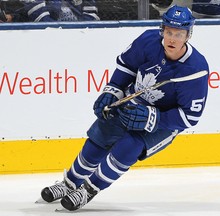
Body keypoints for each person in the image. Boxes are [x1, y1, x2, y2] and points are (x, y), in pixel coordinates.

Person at [40, 4, 209, 211]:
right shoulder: (148, 41)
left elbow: (190, 116)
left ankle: (90, 189)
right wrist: (112, 91)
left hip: (163, 121)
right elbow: (127, 67)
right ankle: (70, 183)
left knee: (130, 145)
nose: (172, 38)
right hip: (134, 101)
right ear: (162, 30)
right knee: (101, 133)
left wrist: (153, 118)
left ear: (188, 35)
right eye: (169, 32)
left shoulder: (196, 70)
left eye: (179, 34)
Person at [20, 0, 100, 22]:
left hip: (80, 34)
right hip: (48, 37)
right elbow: (40, 17)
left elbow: (91, 16)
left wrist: (78, 29)